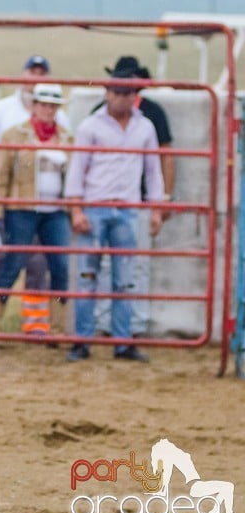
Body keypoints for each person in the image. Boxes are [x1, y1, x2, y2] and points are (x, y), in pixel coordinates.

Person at [63, 77, 165, 363]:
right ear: (107, 93)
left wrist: (156, 208)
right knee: (88, 277)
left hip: (128, 209)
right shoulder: (90, 127)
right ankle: (83, 340)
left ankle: (121, 341)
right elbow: (78, 169)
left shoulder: (144, 127)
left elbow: (153, 171)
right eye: (118, 92)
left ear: (135, 95)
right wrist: (77, 209)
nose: (122, 97)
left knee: (125, 279)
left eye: (128, 92)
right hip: (95, 207)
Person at [0, 55, 72, 335]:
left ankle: (56, 328)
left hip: (55, 210)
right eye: (44, 104)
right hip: (21, 208)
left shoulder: (67, 137)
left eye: (53, 105)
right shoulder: (13, 135)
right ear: (34, 105)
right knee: (14, 263)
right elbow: (0, 174)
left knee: (60, 266)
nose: (48, 109)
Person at [91, 55, 176, 337]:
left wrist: (161, 199)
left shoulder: (152, 113)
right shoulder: (99, 114)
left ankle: (131, 326)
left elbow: (163, 158)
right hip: (104, 198)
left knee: (133, 266)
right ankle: (106, 324)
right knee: (106, 266)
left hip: (136, 200)